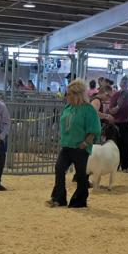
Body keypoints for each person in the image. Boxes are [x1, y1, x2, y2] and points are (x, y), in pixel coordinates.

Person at [46, 80, 101, 208]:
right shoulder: (68, 107)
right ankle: (58, 197)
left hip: (80, 147)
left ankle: (80, 200)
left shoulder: (88, 110)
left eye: (70, 94)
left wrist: (86, 142)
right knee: (59, 169)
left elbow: (95, 129)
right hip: (67, 145)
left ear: (77, 95)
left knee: (81, 174)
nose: (67, 96)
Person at [108, 76, 128, 171]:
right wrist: (118, 106)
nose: (124, 85)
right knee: (116, 146)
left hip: (127, 124)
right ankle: (115, 166)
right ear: (120, 84)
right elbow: (111, 111)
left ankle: (124, 166)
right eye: (123, 83)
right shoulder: (115, 96)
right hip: (117, 124)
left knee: (126, 146)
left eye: (126, 83)